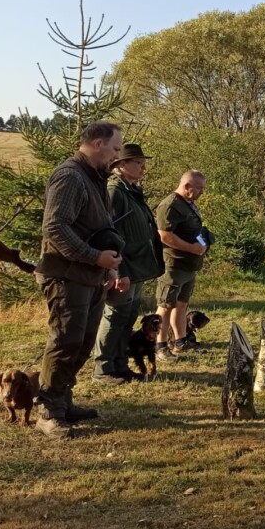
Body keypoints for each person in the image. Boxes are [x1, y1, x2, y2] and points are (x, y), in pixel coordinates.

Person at [33, 121, 124, 438]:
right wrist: (94, 257)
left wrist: (108, 265)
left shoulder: (94, 178)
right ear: (98, 144)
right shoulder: (71, 175)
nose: (116, 156)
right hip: (65, 275)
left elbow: (99, 229)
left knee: (83, 343)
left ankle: (62, 401)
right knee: (65, 342)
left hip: (88, 275)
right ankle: (48, 411)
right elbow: (54, 228)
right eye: (114, 149)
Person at [92, 143, 163, 383]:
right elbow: (109, 234)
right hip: (124, 267)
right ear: (121, 165)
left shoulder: (132, 190)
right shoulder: (115, 191)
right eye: (138, 162)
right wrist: (117, 270)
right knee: (114, 317)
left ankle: (120, 365)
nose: (143, 166)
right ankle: (103, 369)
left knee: (127, 318)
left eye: (144, 162)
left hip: (137, 268)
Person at [155, 170, 208, 361]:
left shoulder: (189, 204)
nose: (202, 192)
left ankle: (181, 341)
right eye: (199, 188)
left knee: (181, 304)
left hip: (189, 265)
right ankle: (160, 346)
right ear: (187, 186)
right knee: (165, 305)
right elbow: (165, 235)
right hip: (173, 264)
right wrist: (192, 248)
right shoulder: (170, 205)